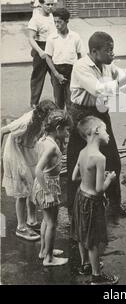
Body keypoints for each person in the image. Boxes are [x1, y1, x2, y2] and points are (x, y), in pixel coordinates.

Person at [67, 31, 126, 219]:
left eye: (113, 50)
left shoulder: (106, 65)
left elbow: (125, 77)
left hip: (100, 112)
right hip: (81, 115)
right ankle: (73, 209)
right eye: (109, 50)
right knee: (77, 161)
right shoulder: (81, 67)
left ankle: (114, 204)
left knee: (112, 159)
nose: (113, 54)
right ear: (95, 52)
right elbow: (100, 89)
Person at [71, 116, 119, 285]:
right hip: (92, 202)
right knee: (92, 240)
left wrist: (89, 178)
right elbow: (99, 189)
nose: (108, 134)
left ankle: (85, 265)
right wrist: (110, 179)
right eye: (105, 130)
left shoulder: (82, 152)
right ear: (97, 131)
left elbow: (74, 176)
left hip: (81, 196)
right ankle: (96, 277)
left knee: (81, 233)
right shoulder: (100, 158)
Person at [1, 100, 57, 241]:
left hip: (29, 149)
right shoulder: (25, 122)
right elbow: (2, 130)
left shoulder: (42, 122)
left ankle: (31, 220)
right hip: (16, 152)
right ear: (42, 115)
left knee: (32, 185)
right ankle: (21, 227)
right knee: (22, 192)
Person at [32, 110, 72, 266]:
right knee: (52, 223)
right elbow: (38, 170)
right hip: (47, 185)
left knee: (46, 221)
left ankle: (44, 250)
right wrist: (48, 192)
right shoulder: (51, 147)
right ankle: (49, 258)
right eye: (67, 129)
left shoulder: (44, 139)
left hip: (44, 184)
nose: (68, 133)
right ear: (58, 128)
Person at [45, 8, 84, 110]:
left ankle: (71, 124)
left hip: (72, 71)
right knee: (58, 102)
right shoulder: (51, 38)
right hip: (56, 71)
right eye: (55, 22)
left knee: (71, 101)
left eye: (59, 22)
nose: (57, 25)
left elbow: (80, 56)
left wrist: (78, 72)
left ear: (66, 21)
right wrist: (57, 75)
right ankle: (60, 124)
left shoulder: (75, 37)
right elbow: (48, 58)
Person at [27, 0, 56, 108]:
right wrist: (40, 51)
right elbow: (30, 38)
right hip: (41, 48)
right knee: (38, 77)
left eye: (52, 4)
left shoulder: (53, 16)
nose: (50, 6)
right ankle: (34, 103)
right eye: (47, 4)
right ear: (40, 4)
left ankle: (60, 101)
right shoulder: (35, 19)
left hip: (53, 48)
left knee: (57, 76)